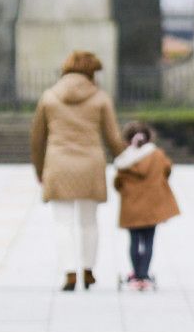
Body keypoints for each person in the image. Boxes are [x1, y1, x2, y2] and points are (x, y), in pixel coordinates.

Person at [30, 50, 126, 291]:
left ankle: (70, 272)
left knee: (63, 223)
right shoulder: (101, 98)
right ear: (91, 72)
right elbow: (114, 139)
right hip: (91, 164)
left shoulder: (49, 97)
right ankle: (88, 269)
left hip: (58, 163)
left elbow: (37, 139)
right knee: (89, 222)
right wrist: (126, 162)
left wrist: (40, 170)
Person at [113, 122, 180, 290]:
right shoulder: (157, 155)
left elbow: (117, 183)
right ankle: (144, 274)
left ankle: (136, 274)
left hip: (131, 207)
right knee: (149, 240)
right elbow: (168, 170)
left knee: (134, 240)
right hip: (153, 205)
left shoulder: (124, 160)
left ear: (127, 140)